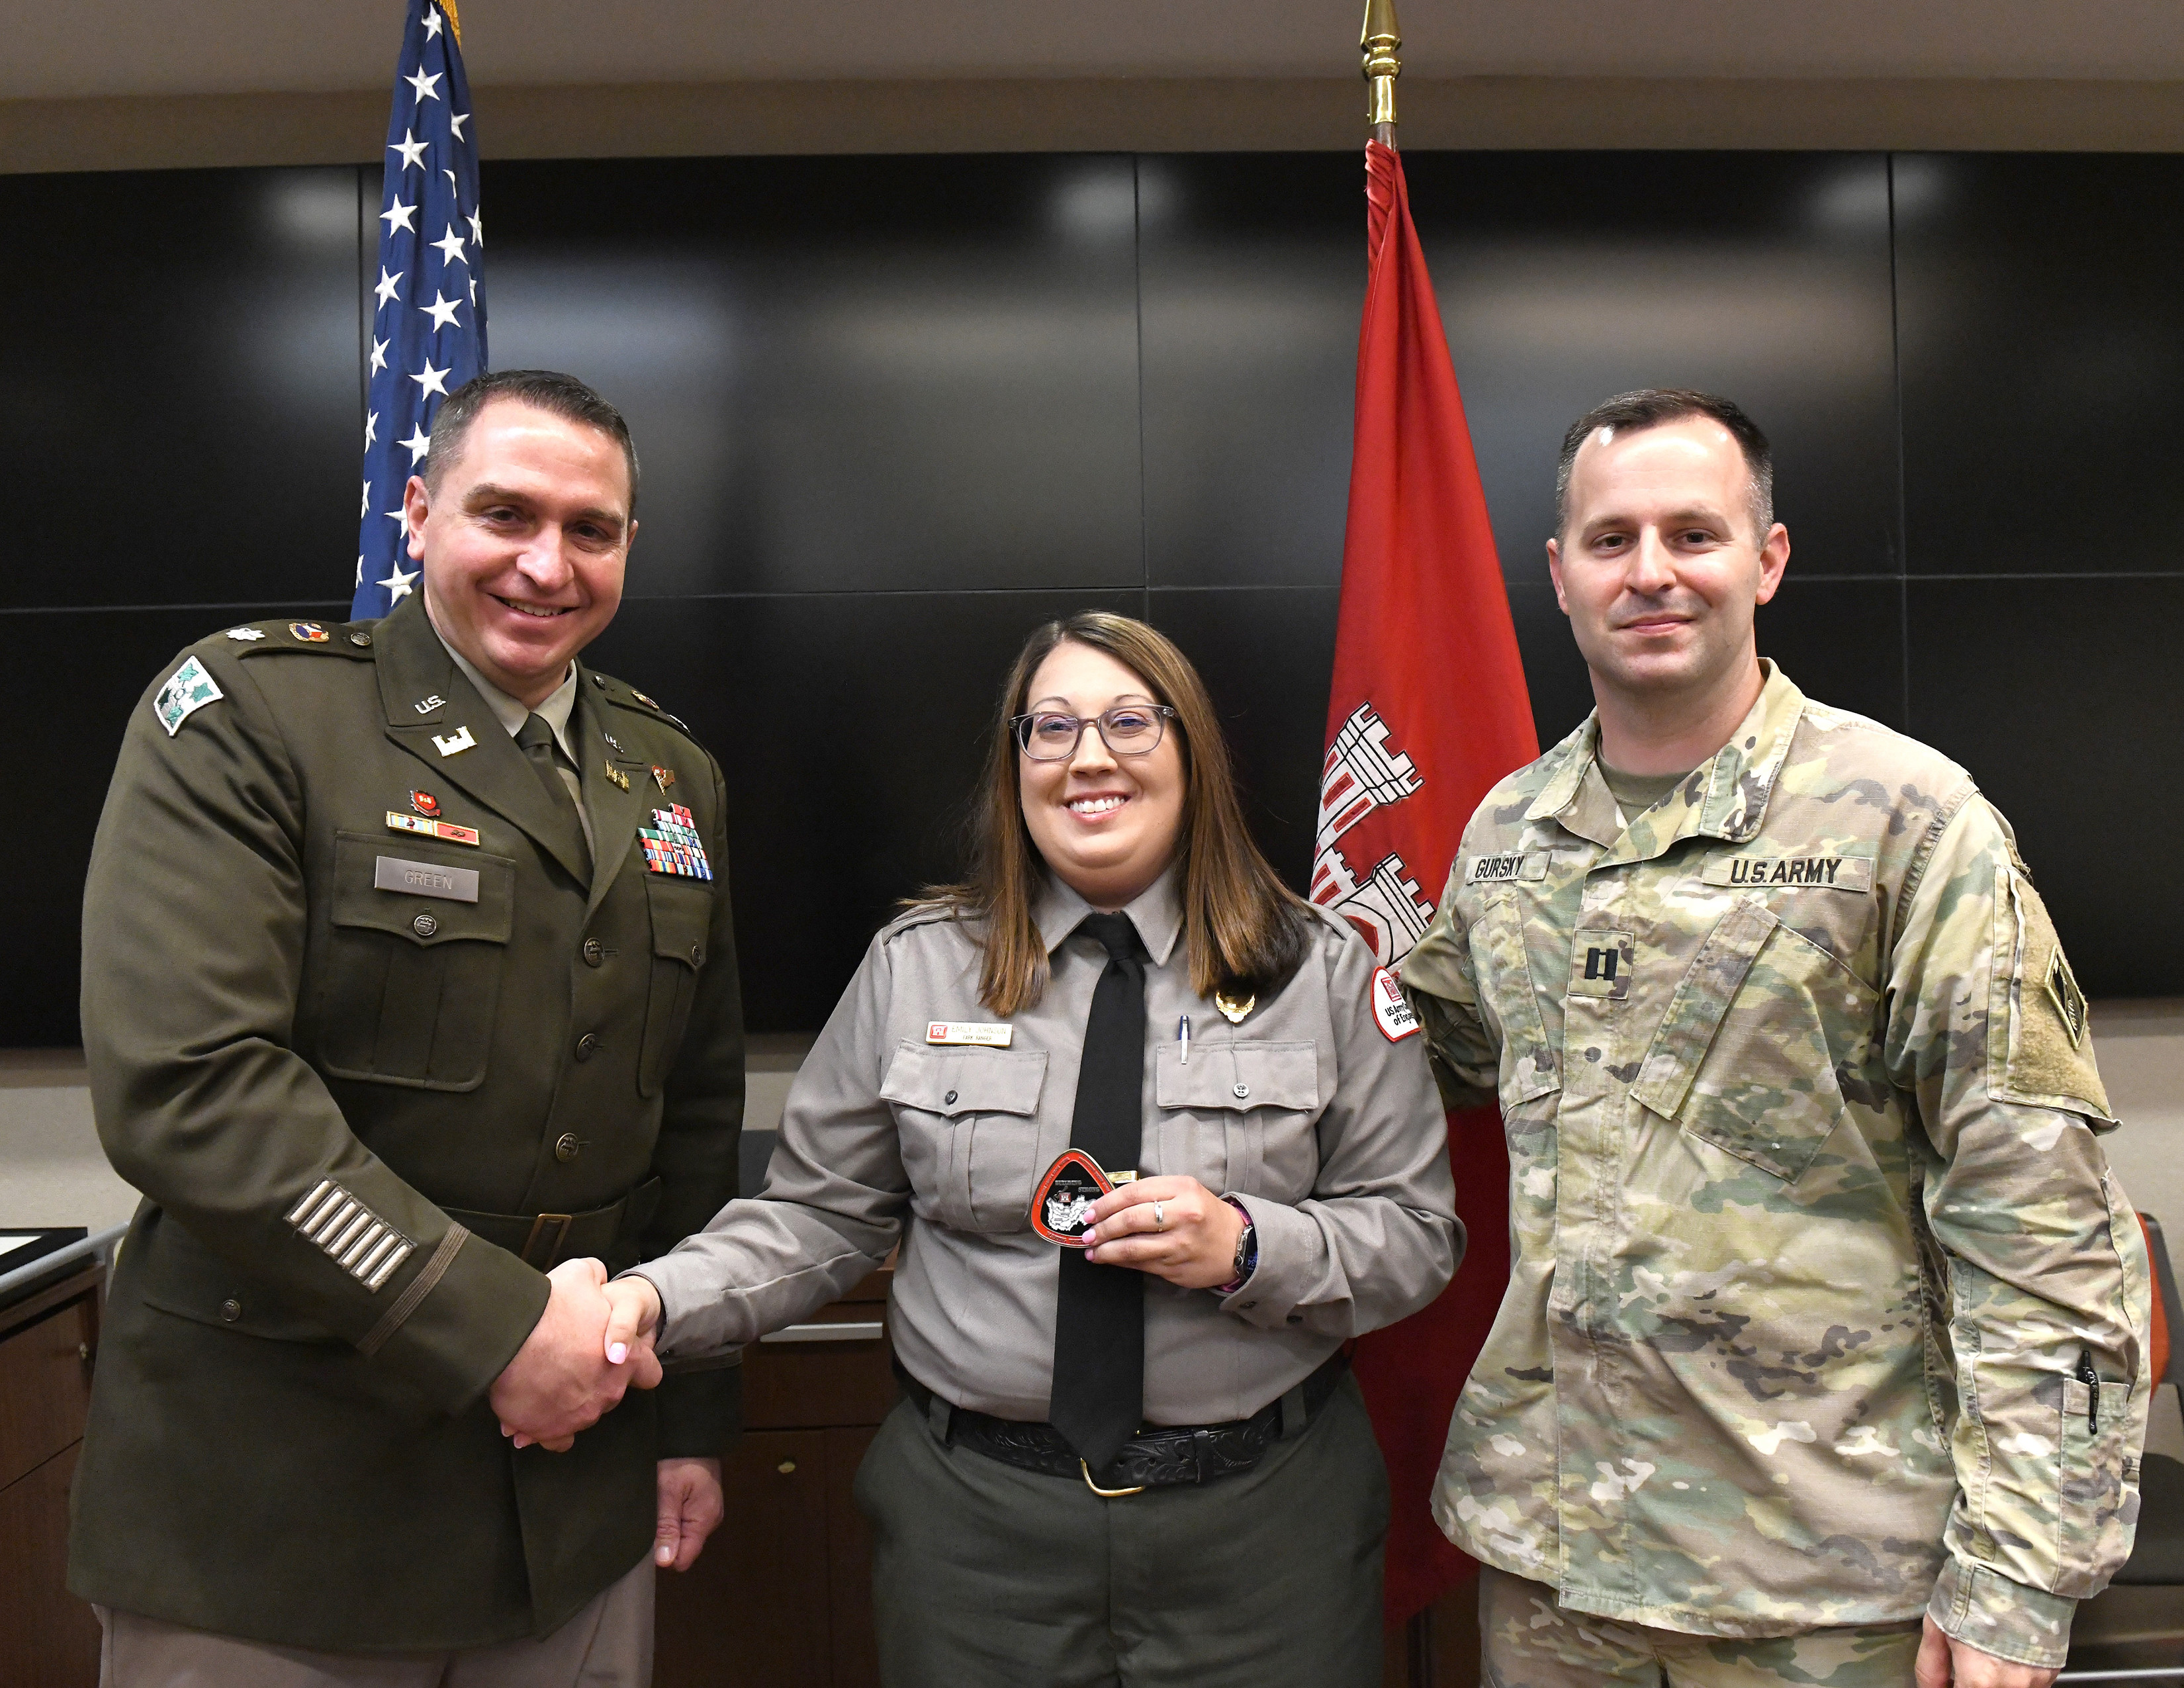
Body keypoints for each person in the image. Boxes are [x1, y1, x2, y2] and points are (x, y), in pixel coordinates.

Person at [1399, 389, 2152, 1688]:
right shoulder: (1510, 834)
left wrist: (2020, 1575)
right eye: (1612, 539)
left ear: (1767, 559)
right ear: (1561, 575)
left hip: (1822, 1587)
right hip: (1556, 1569)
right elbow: (1417, 1061)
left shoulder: (1907, 823)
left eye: (1694, 534)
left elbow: (2039, 1223)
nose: (1651, 572)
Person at [592, 611, 1461, 1686]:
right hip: (979, 1536)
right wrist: (653, 1298)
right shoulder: (917, 966)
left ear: (1192, 751)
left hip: (1263, 1527)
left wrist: (1247, 1245)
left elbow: (1416, 1233)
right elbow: (814, 1217)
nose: (1089, 756)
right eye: (1051, 728)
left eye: (1130, 722)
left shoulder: (1320, 972)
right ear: (1016, 767)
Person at [71, 369, 745, 1685]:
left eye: (591, 530)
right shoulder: (254, 715)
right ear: (420, 512)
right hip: (279, 1506)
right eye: (506, 514)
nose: (547, 564)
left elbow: (696, 1115)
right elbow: (193, 1088)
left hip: (573, 1501)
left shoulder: (672, 774)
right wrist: (492, 1329)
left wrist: (692, 1419)